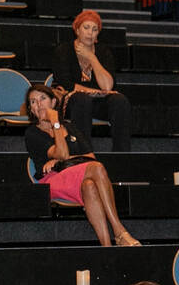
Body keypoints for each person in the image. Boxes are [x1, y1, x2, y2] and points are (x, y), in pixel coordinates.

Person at [24, 84, 139, 247]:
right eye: (33, 102)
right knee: (97, 168)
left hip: (76, 176)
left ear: (53, 102)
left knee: (90, 185)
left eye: (43, 98)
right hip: (52, 180)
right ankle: (119, 230)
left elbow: (90, 157)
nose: (39, 104)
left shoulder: (70, 127)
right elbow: (63, 153)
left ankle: (107, 248)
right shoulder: (32, 133)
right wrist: (55, 122)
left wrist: (63, 160)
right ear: (31, 109)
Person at [51, 10, 131, 152]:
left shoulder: (103, 52)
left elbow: (108, 86)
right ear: (77, 30)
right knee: (82, 99)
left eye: (95, 29)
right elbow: (66, 84)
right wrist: (95, 92)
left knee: (120, 100)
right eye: (86, 28)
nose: (90, 33)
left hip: (96, 101)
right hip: (71, 102)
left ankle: (122, 153)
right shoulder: (64, 50)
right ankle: (84, 153)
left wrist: (92, 57)